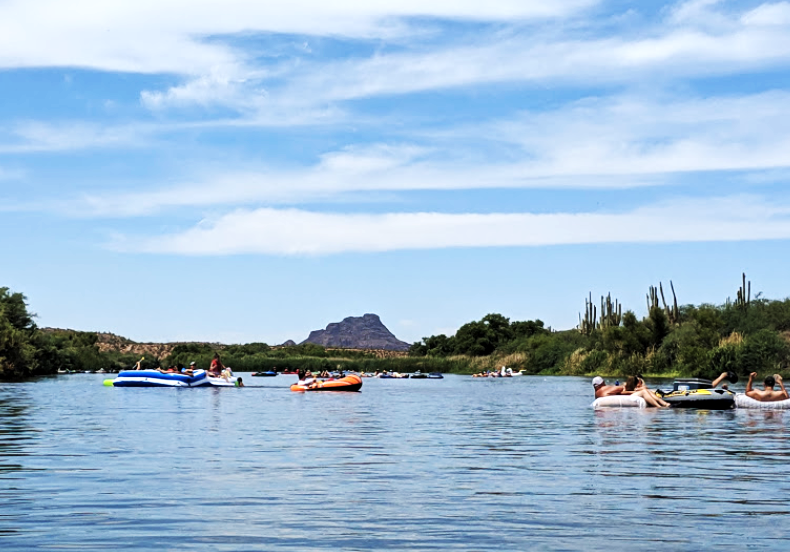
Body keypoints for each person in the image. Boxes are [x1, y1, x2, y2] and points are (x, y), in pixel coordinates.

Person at [593, 376, 670, 408]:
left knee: (645, 391)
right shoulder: (605, 388)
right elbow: (621, 389)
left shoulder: (597, 394)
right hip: (626, 397)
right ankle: (660, 406)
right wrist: (632, 390)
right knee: (644, 392)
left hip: (621, 397)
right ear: (602, 383)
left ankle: (663, 404)